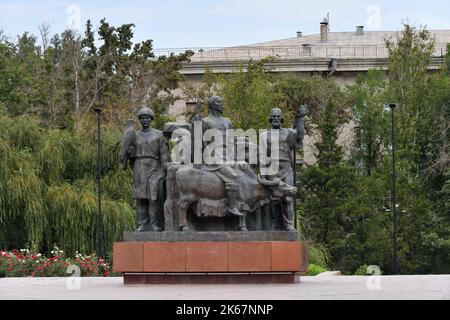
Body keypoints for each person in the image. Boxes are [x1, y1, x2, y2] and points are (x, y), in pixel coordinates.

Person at [192, 96, 243, 216]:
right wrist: (195, 124)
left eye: (221, 102)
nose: (221, 104)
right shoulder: (205, 121)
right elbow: (197, 139)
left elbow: (232, 141)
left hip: (227, 155)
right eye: (218, 102)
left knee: (244, 171)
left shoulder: (228, 121)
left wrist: (236, 158)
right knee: (233, 176)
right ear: (212, 105)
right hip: (213, 155)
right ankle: (232, 207)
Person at [120, 107, 169, 232]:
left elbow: (164, 154)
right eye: (142, 118)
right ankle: (142, 224)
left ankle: (155, 223)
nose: (145, 120)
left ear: (151, 119)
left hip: (154, 167)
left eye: (147, 118)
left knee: (154, 198)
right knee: (141, 198)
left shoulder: (159, 134)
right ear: (140, 120)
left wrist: (164, 170)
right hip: (139, 167)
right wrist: (130, 154)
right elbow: (129, 152)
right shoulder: (134, 135)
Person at [260, 106, 306, 231]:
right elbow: (262, 155)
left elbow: (300, 136)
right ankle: (275, 223)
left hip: (286, 169)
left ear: (282, 119)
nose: (276, 118)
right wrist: (263, 172)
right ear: (270, 119)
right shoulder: (265, 135)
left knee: (288, 197)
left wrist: (301, 119)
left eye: (278, 116)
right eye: (273, 116)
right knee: (274, 199)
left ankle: (288, 224)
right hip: (272, 169)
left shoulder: (289, 133)